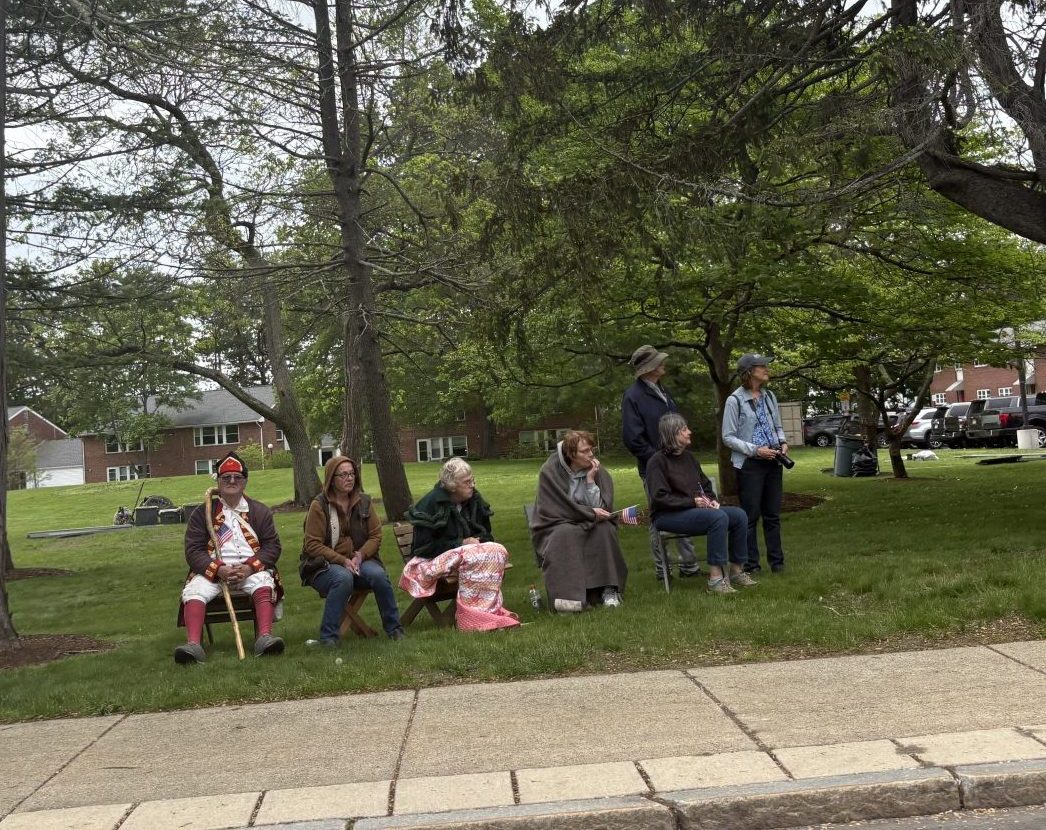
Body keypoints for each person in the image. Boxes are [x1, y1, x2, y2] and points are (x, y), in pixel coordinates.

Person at [176, 451, 284, 663]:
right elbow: (194, 551)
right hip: (214, 571)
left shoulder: (259, 511)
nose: (232, 481)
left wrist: (249, 568)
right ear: (218, 481)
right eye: (226, 477)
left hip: (250, 570)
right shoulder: (202, 513)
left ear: (245, 482)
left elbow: (272, 546)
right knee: (194, 590)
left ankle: (264, 638)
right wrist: (219, 569)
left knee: (264, 582)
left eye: (237, 477)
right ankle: (194, 646)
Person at [401, 457, 519, 631]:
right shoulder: (431, 504)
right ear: (452, 485)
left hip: (467, 558)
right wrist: (461, 543)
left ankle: (488, 614)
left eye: (473, 480)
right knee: (472, 555)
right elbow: (423, 548)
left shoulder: (474, 501)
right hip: (429, 562)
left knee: (499, 550)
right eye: (467, 481)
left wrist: (476, 542)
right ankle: (471, 620)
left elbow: (486, 535)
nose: (472, 484)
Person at [299, 456, 405, 647]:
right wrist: (342, 560)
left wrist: (361, 555)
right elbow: (312, 545)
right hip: (323, 566)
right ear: (332, 478)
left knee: (379, 576)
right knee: (343, 578)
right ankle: (329, 638)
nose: (349, 478)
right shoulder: (320, 505)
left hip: (359, 561)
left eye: (352, 474)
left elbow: (376, 535)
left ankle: (395, 629)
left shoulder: (364, 502)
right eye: (343, 475)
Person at [646, 413, 754, 595]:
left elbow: (705, 485)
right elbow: (659, 497)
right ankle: (715, 580)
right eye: (684, 430)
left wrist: (710, 500)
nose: (689, 432)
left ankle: (736, 571)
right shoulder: (657, 462)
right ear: (673, 434)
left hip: (693, 511)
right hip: (667, 515)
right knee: (717, 518)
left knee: (738, 515)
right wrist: (692, 502)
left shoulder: (689, 458)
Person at [621, 344, 699, 580]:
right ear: (649, 368)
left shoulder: (664, 392)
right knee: (660, 516)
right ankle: (663, 570)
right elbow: (633, 438)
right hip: (655, 470)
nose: (664, 363)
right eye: (658, 361)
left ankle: (690, 566)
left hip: (678, 466)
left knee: (686, 508)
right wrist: (658, 459)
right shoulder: (633, 396)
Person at [529, 431, 628, 612]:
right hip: (556, 523)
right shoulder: (550, 472)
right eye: (585, 451)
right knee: (565, 534)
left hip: (590, 521)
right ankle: (567, 599)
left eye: (591, 449)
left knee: (604, 529)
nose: (591, 454)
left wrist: (590, 480)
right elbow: (551, 508)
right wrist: (588, 513)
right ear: (571, 454)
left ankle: (608, 590)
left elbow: (602, 507)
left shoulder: (596, 470)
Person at [722, 353, 789, 574]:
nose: (767, 369)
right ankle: (751, 565)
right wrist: (755, 450)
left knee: (773, 515)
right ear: (749, 372)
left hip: (773, 462)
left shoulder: (769, 396)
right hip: (750, 465)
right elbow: (728, 437)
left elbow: (776, 426)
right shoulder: (735, 400)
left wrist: (783, 442)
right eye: (762, 367)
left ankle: (777, 564)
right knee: (750, 517)